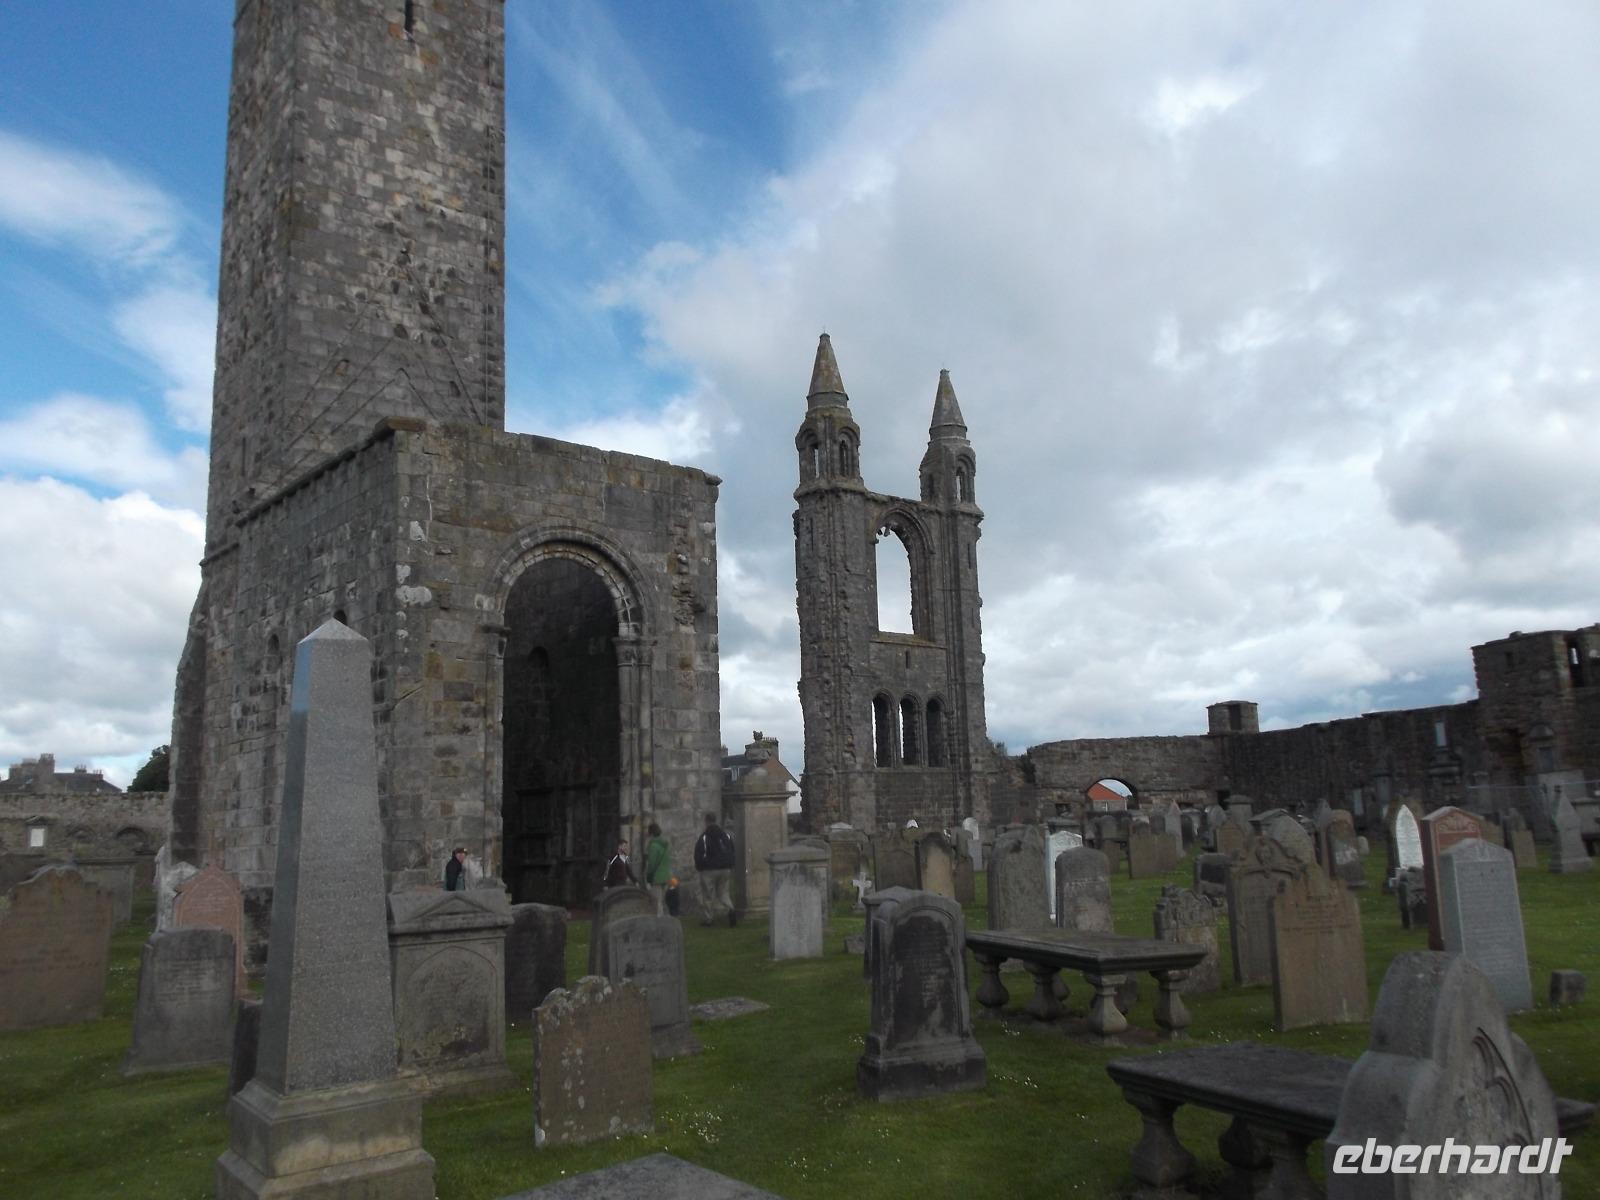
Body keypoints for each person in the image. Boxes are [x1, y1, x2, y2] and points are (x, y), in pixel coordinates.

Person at [693, 812, 736, 926]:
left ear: (706, 821)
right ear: (715, 820)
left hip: (709, 869)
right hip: (725, 868)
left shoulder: (705, 837)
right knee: (723, 893)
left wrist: (700, 867)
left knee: (708, 895)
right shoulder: (725, 835)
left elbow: (699, 853)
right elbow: (731, 850)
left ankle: (709, 919)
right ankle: (731, 909)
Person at [644, 821, 671, 915]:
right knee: (662, 902)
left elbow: (652, 865)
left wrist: (648, 878)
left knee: (656, 903)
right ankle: (665, 921)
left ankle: (659, 924)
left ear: (651, 833)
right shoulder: (664, 844)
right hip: (665, 876)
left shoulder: (653, 846)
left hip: (656, 878)